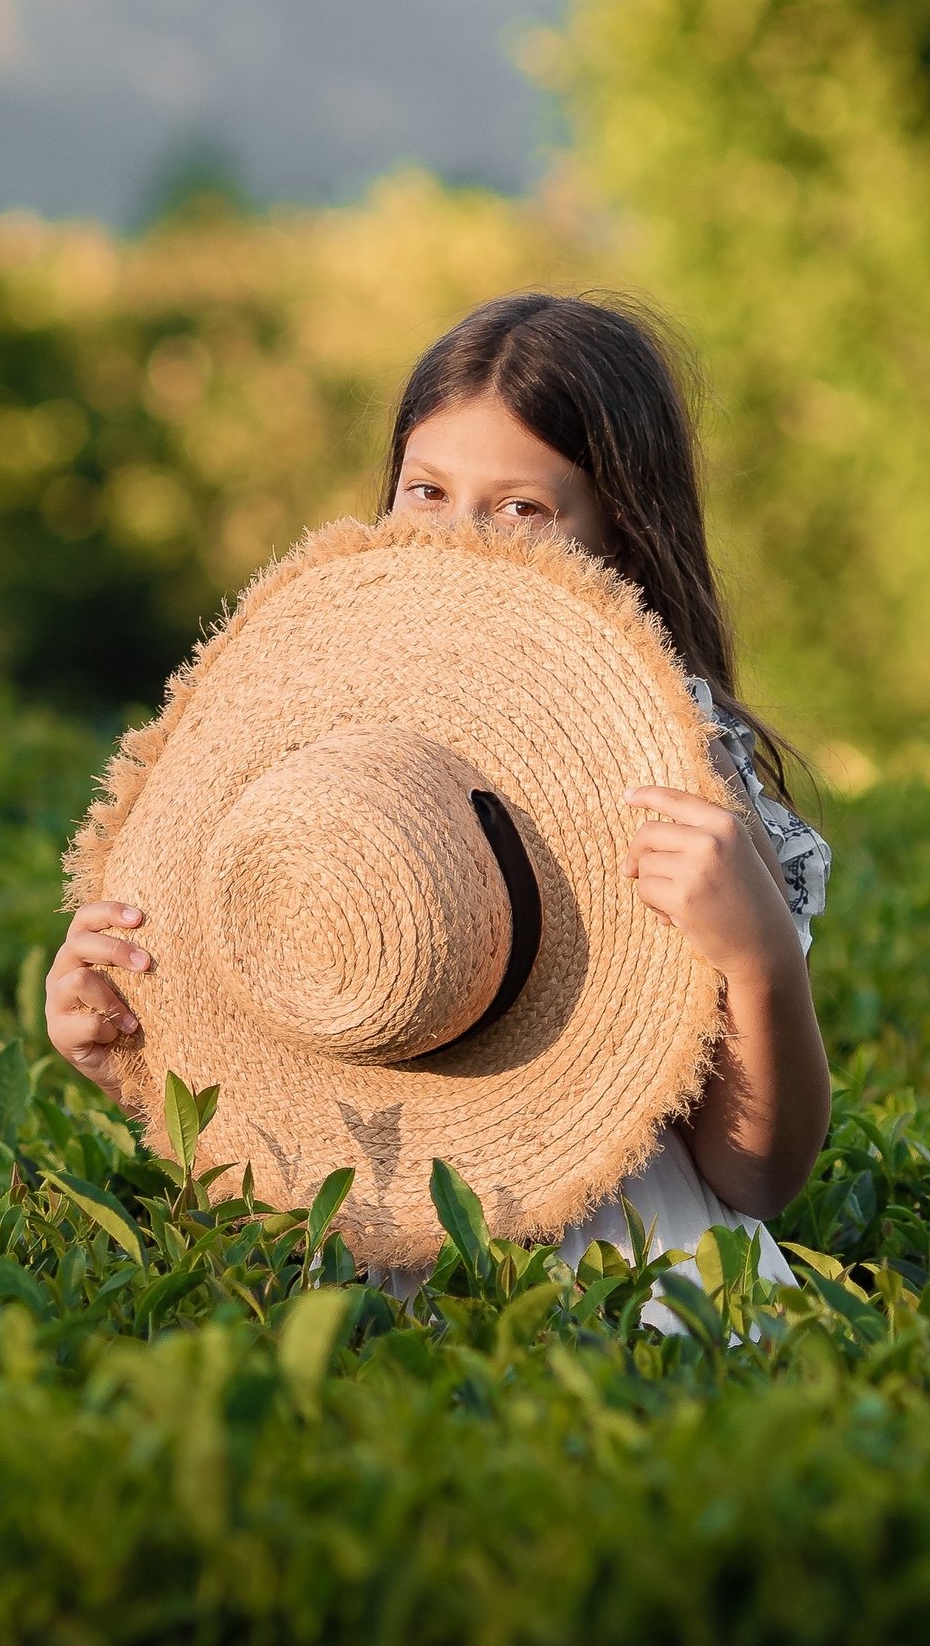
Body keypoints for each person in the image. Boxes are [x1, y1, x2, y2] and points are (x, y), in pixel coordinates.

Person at [44, 291, 832, 1296]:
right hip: (367, 1276)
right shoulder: (315, 740)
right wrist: (120, 1040)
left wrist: (758, 956)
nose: (459, 537)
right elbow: (266, 1087)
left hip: (632, 1286)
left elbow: (754, 1174)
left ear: (624, 533)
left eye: (519, 507)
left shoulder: (673, 769)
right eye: (426, 492)